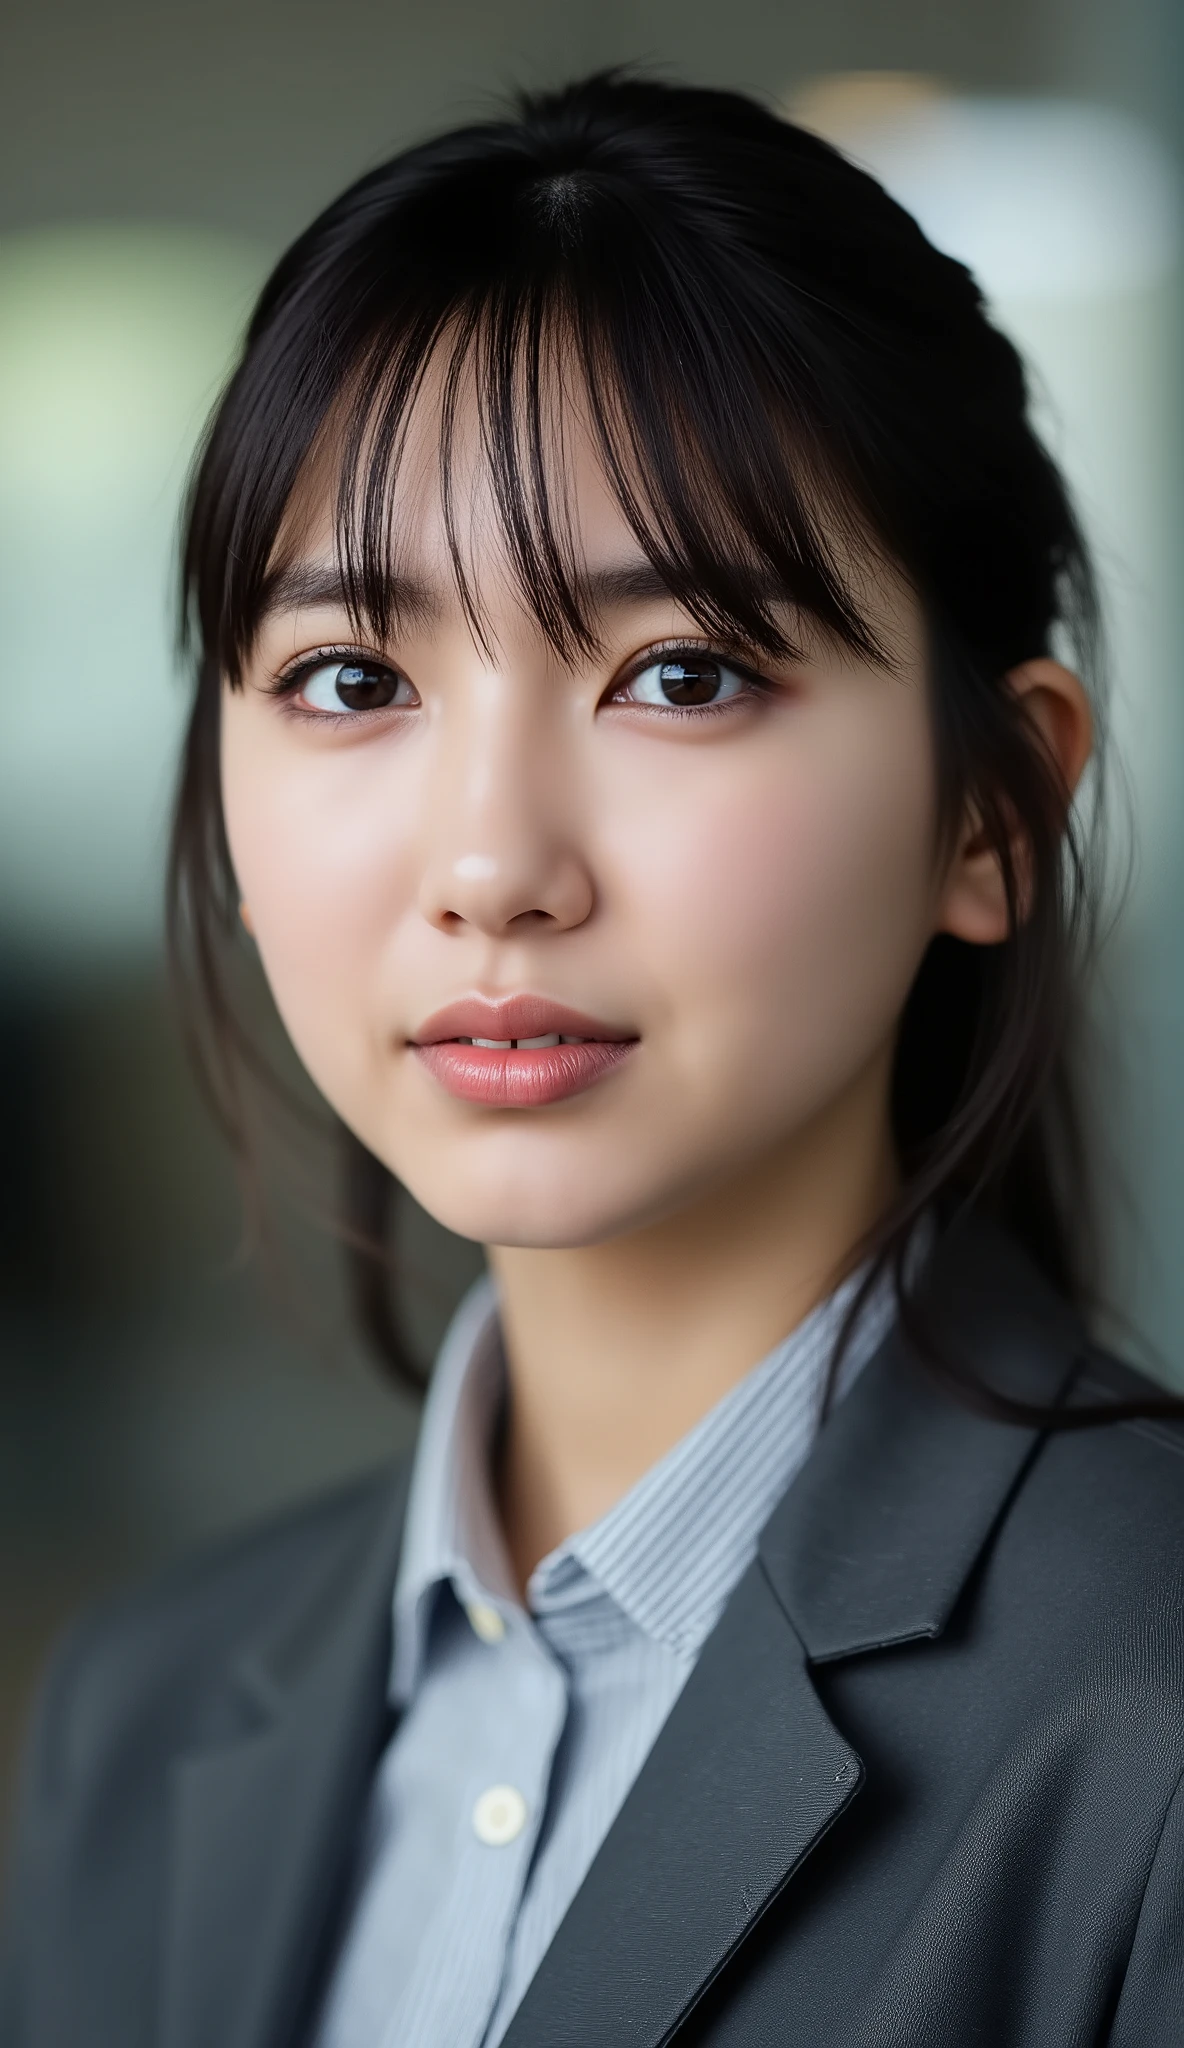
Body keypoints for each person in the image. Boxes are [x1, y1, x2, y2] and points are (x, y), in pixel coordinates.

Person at [3, 69, 1184, 2048]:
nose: (491, 866)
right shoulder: (139, 1717)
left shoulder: (1145, 1716)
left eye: (680, 674)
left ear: (993, 809)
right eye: (351, 678)